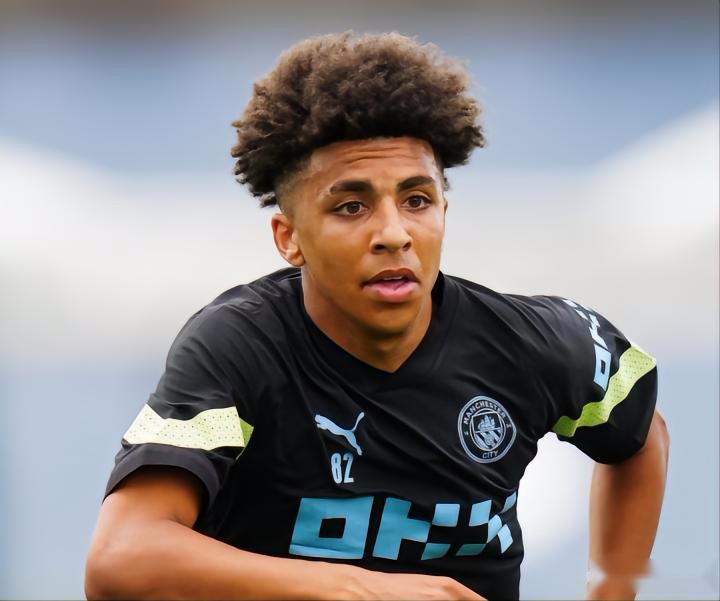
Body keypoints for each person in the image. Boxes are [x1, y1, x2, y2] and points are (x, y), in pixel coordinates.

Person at [85, 32, 669, 600]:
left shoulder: (537, 343)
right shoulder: (236, 347)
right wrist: (360, 589)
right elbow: (120, 560)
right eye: (351, 206)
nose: (394, 233)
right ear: (289, 238)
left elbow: (642, 437)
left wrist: (613, 589)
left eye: (416, 200)